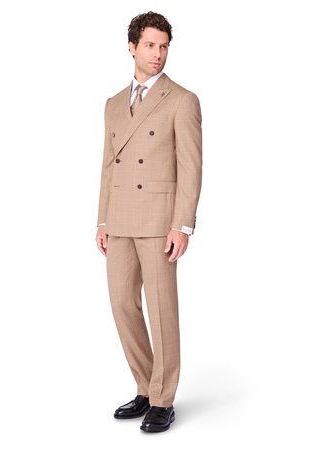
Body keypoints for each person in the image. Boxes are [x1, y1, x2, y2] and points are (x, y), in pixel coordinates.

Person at [95, 11, 202, 433]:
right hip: (120, 218)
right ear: (132, 47)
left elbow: (191, 167)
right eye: (150, 45)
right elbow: (109, 165)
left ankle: (163, 398)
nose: (158, 54)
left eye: (164, 46)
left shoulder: (182, 99)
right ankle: (145, 385)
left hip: (159, 221)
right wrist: (103, 219)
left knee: (161, 309)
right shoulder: (112, 104)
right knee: (122, 304)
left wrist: (183, 224)